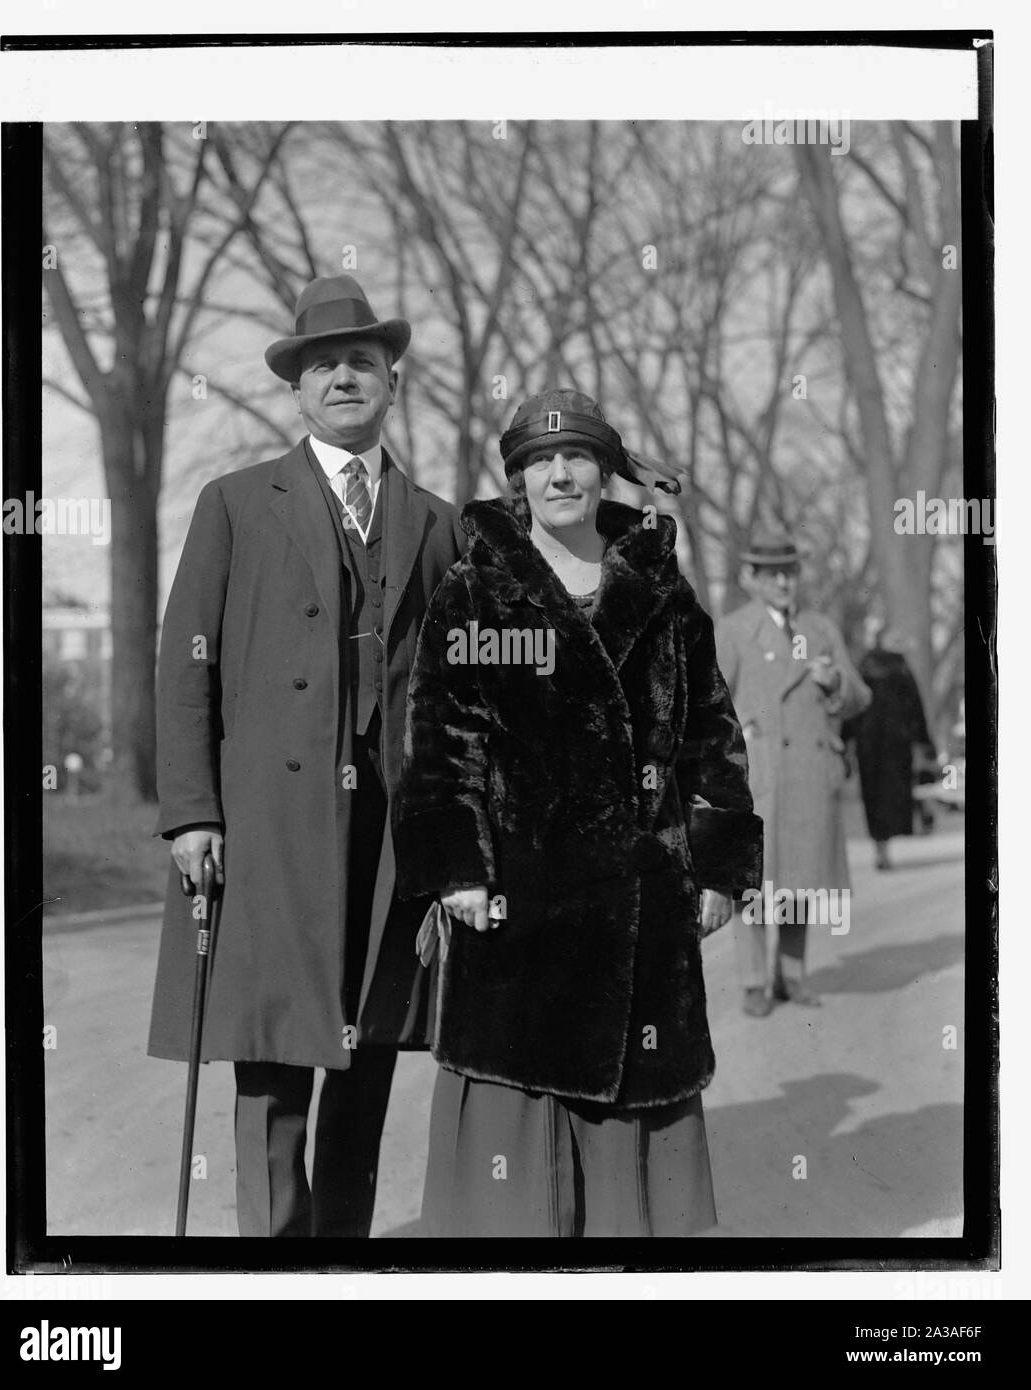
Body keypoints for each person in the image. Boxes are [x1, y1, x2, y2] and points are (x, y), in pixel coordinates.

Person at [393, 389, 762, 1237]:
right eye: (537, 461)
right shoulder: (478, 589)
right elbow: (442, 742)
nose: (558, 474)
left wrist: (718, 867)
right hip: (515, 908)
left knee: (638, 1144)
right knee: (512, 1167)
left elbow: (712, 734)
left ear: (606, 472)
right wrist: (456, 871)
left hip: (642, 906)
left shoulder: (660, 591)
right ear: (516, 479)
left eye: (577, 457)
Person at [147, 274, 464, 1237]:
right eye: (322, 365)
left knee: (365, 1064)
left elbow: (459, 697)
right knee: (276, 1061)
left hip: (389, 832)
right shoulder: (236, 503)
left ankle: (343, 1263)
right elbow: (183, 664)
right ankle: (272, 1269)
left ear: (390, 382)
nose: (341, 378)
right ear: (297, 388)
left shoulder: (438, 521)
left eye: (360, 364)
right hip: (269, 825)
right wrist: (193, 810)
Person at [714, 528, 871, 1017]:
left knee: (799, 880)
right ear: (750, 578)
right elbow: (710, 702)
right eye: (771, 575)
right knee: (755, 884)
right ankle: (755, 983)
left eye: (789, 573)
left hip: (808, 771)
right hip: (761, 774)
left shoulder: (820, 629)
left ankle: (793, 976)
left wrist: (835, 682)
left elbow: (860, 698)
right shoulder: (735, 629)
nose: (783, 583)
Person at [844, 621, 936, 870]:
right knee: (894, 795)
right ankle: (891, 843)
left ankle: (880, 848)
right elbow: (915, 708)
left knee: (875, 798)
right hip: (895, 744)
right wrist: (925, 742)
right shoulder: (900, 668)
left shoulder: (864, 667)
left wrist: (846, 740)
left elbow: (853, 707)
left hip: (870, 745)